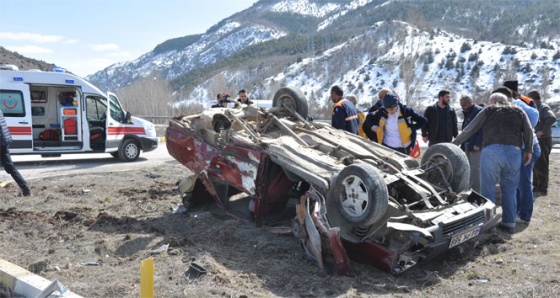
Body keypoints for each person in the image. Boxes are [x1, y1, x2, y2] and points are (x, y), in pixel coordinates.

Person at [452, 92, 533, 234]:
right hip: (514, 152)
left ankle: (489, 224)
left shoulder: (488, 111)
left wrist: (453, 144)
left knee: (487, 189)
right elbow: (528, 131)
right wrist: (529, 151)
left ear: (494, 101)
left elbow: (470, 129)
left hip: (492, 152)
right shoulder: (519, 111)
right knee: (510, 189)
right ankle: (509, 223)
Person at [499, 87, 541, 223]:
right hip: (520, 148)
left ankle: (525, 215)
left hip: (528, 148)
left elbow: (534, 116)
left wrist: (527, 127)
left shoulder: (517, 104)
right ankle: (516, 211)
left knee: (524, 183)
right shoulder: (507, 107)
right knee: (517, 183)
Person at [530, 90, 557, 197]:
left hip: (544, 140)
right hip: (538, 139)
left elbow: (552, 118)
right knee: (536, 163)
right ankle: (536, 185)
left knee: (542, 164)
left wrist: (543, 131)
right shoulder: (536, 107)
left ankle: (542, 188)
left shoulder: (543, 107)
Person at [0, 110, 31, 196]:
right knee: (11, 167)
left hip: (1, 142)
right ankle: (25, 189)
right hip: (4, 142)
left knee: (10, 168)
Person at [458, 95, 483, 193]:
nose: (462, 107)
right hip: (469, 145)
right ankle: (471, 189)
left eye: (463, 105)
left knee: (476, 170)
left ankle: (476, 192)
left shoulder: (478, 111)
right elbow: (466, 129)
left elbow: (482, 128)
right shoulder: (468, 112)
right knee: (469, 169)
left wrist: (478, 143)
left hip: (476, 146)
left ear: (469, 103)